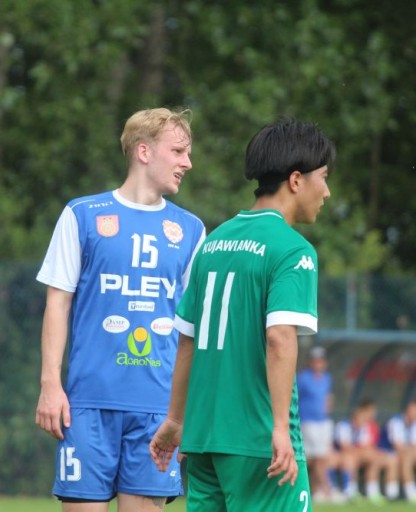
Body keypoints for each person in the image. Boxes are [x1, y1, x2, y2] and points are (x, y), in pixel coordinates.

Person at [149, 118, 335, 512]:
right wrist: (280, 429)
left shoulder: (213, 242)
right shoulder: (292, 250)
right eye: (324, 177)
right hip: (258, 442)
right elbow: (279, 338)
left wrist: (176, 420)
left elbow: (187, 341)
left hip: (203, 440)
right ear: (297, 180)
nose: (328, 192)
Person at [34, 107, 206, 511]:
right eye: (179, 151)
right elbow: (57, 303)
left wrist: (184, 413)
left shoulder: (192, 231)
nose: (188, 163)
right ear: (144, 151)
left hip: (157, 413)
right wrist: (49, 384)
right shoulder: (82, 215)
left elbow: (191, 330)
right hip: (87, 406)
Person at [296, 345, 343, 503]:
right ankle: (328, 490)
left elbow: (327, 397)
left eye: (321, 361)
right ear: (310, 362)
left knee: (318, 459)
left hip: (323, 421)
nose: (318, 363)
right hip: (308, 421)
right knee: (318, 457)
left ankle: (315, 491)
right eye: (315, 361)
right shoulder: (303, 378)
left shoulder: (326, 378)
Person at [334, 398, 395, 504]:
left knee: (374, 458)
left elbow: (367, 446)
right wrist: (362, 451)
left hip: (358, 455)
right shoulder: (343, 426)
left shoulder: (364, 427)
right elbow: (345, 448)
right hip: (341, 456)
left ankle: (372, 491)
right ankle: (350, 491)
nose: (362, 420)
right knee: (350, 458)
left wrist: (367, 452)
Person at [377, 398, 416, 504]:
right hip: (387, 453)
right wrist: (413, 451)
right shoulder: (395, 422)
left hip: (407, 454)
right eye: (415, 410)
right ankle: (408, 492)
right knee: (405, 458)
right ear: (408, 410)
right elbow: (398, 446)